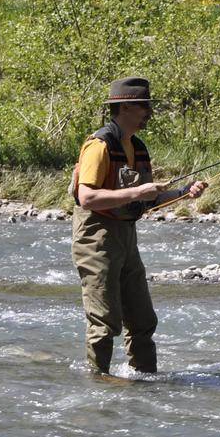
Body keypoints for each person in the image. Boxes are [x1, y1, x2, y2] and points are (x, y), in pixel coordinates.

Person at [70, 76, 207, 376]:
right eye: (145, 106)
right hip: (96, 236)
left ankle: (145, 387)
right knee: (105, 323)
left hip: (126, 236)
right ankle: (98, 387)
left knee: (143, 321)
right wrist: (137, 192)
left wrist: (184, 192)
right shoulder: (99, 146)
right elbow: (87, 196)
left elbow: (147, 199)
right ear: (127, 107)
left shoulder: (138, 147)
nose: (149, 113)